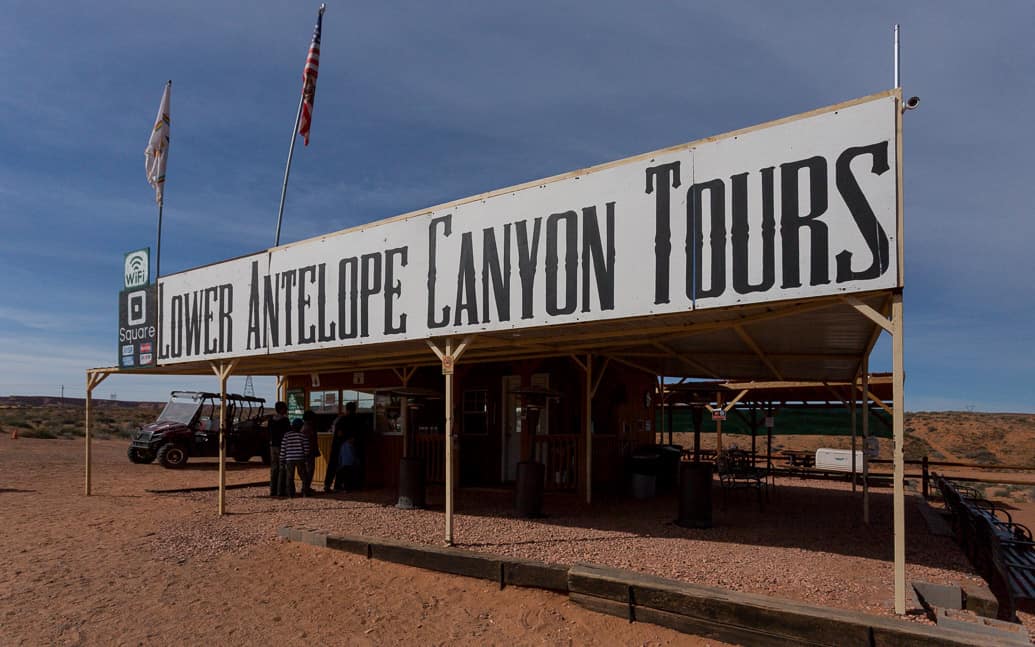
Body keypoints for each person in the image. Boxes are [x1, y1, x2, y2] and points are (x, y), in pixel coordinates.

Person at [325, 401, 358, 492]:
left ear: (346, 409)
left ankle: (329, 485)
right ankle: (343, 486)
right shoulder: (354, 420)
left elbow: (338, 433)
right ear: (354, 410)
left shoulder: (341, 419)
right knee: (346, 466)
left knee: (334, 465)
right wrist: (350, 439)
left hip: (337, 444)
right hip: (346, 445)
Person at [280, 418, 310, 497]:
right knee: (304, 476)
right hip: (300, 458)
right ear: (301, 427)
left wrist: (282, 459)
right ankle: (305, 492)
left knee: (289, 477)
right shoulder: (303, 436)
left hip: (289, 459)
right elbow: (306, 449)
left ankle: (290, 494)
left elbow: (283, 448)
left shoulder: (286, 435)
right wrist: (306, 458)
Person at [268, 402, 290, 497]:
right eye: (285, 408)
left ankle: (273, 490)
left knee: (274, 468)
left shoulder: (271, 420)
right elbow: (288, 433)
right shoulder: (285, 420)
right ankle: (280, 490)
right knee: (282, 468)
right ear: (282, 409)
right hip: (282, 445)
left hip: (273, 446)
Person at [300, 410, 320, 496]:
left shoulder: (304, 427)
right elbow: (310, 441)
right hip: (308, 452)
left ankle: (306, 487)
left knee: (307, 470)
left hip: (305, 452)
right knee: (309, 470)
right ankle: (306, 489)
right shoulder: (308, 428)